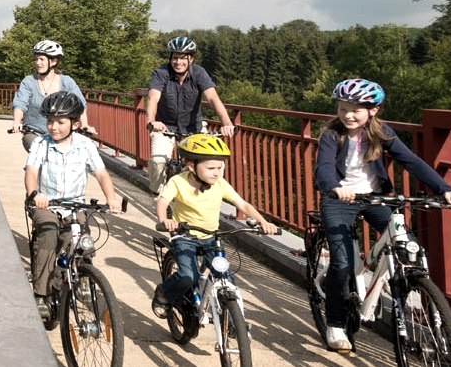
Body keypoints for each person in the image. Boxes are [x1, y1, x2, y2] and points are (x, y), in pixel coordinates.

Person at [312, 78, 451, 352]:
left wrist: (445, 189)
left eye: (356, 109)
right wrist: (334, 187)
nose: (348, 114)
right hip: (339, 199)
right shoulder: (331, 134)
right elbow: (323, 168)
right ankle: (335, 323)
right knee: (343, 262)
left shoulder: (382, 132)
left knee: (408, 245)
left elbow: (412, 162)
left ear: (374, 110)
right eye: (343, 108)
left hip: (375, 198)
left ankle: (412, 292)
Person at [151, 134, 278, 319]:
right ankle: (164, 293)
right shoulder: (178, 181)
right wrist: (165, 220)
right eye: (211, 168)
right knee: (188, 276)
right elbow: (162, 202)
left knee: (226, 277)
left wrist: (263, 222)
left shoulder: (220, 184)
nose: (217, 172)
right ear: (191, 166)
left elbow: (243, 205)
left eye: (220, 167)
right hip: (185, 237)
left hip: (211, 237)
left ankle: (234, 321)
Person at [24, 91, 122, 322]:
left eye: (60, 122)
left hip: (74, 203)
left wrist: (112, 197)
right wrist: (34, 193)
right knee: (47, 238)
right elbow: (31, 172)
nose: (53, 127)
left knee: (82, 240)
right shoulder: (41, 143)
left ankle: (82, 279)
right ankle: (41, 294)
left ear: (75, 123)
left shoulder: (85, 145)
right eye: (50, 121)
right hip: (47, 203)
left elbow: (101, 173)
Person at [144, 36, 235, 187]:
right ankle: (158, 195)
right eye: (175, 58)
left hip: (194, 128)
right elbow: (153, 98)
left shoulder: (199, 73)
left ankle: (209, 195)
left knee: (214, 161)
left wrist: (227, 123)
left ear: (191, 59)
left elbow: (213, 98)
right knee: (157, 161)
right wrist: (152, 122)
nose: (178, 62)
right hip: (165, 127)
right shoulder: (161, 73)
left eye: (182, 58)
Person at [11, 40, 94, 152]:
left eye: (41, 59)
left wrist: (85, 125)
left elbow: (80, 104)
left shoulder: (67, 82)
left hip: (61, 134)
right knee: (38, 151)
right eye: (36, 59)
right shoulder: (29, 81)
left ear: (53, 61)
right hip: (35, 133)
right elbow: (20, 104)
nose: (37, 63)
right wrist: (17, 121)